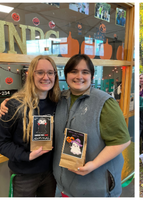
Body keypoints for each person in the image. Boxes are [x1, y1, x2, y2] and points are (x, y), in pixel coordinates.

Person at [52, 54, 130, 197]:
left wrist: (93, 164)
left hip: (97, 187)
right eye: (73, 71)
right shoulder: (59, 99)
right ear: (66, 74)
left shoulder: (104, 103)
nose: (79, 76)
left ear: (92, 76)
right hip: (65, 186)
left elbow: (122, 141)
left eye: (85, 72)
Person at [0, 55, 60, 197]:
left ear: (55, 75)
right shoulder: (14, 105)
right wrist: (27, 156)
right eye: (40, 72)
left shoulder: (59, 104)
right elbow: (0, 142)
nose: (45, 77)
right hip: (23, 176)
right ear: (31, 75)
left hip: (51, 174)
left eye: (50, 72)